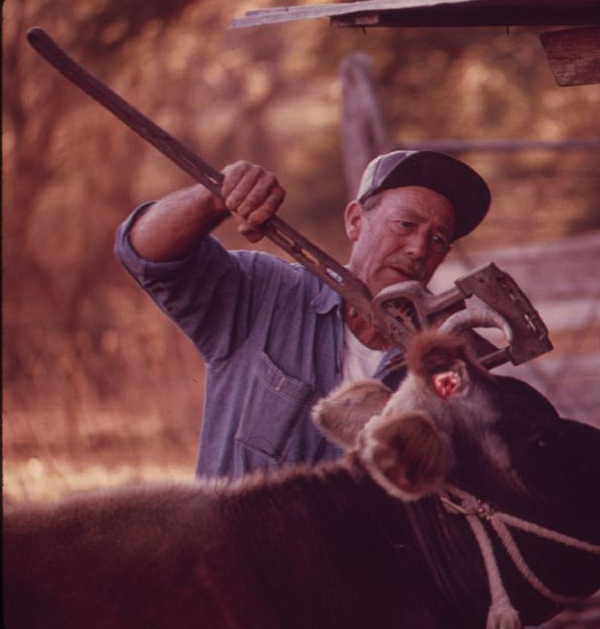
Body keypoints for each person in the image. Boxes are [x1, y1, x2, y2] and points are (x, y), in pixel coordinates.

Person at [115, 150, 490, 480]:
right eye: (405, 225)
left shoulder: (444, 365)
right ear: (355, 221)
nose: (418, 248)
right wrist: (213, 196)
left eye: (438, 239)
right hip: (234, 557)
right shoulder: (265, 292)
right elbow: (145, 255)